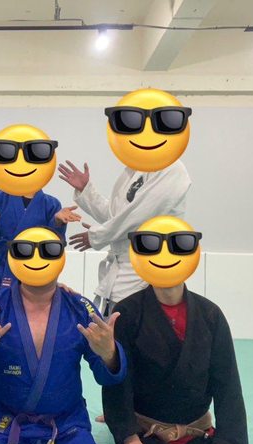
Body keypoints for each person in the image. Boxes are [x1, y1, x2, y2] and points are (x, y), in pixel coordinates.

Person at [0, 227, 126, 444]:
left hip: (67, 425)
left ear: (61, 256)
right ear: (13, 256)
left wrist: (109, 354)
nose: (36, 258)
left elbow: (109, 377)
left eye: (49, 250)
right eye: (24, 250)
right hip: (6, 423)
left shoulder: (80, 309)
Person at [102, 216, 249, 444]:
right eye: (150, 245)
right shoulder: (127, 313)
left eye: (179, 245)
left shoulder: (210, 315)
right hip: (146, 436)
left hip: (198, 435)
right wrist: (129, 438)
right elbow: (119, 383)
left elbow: (227, 384)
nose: (165, 255)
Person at [59, 88, 192, 313]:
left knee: (138, 323)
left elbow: (139, 216)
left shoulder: (173, 169)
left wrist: (98, 236)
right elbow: (116, 215)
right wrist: (86, 190)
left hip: (151, 262)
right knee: (115, 323)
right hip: (120, 269)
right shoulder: (133, 171)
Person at [0, 124, 80, 298]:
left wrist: (57, 222)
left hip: (34, 271)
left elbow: (54, 247)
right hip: (1, 269)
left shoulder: (51, 204)